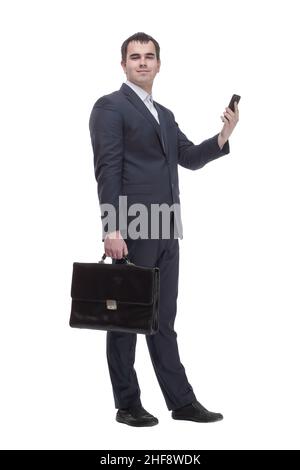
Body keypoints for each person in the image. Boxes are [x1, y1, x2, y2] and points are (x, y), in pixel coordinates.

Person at [89, 32, 239, 427]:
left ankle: (182, 403)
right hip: (133, 227)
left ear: (159, 64)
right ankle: (127, 404)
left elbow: (188, 157)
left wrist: (224, 135)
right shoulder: (110, 107)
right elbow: (108, 169)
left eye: (149, 56)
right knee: (125, 320)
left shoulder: (165, 115)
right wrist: (112, 228)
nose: (142, 62)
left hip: (167, 228)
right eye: (135, 57)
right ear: (123, 64)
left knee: (162, 320)